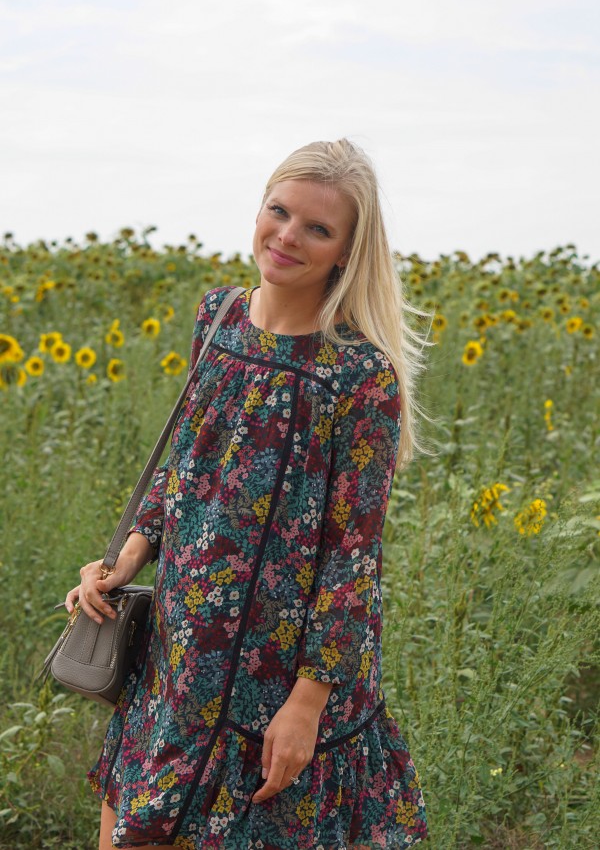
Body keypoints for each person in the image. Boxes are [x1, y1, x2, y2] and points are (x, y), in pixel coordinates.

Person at [66, 138, 431, 848]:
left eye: (318, 228)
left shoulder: (359, 377)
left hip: (275, 688)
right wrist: (129, 555)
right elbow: (188, 463)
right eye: (280, 211)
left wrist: (308, 702)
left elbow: (352, 559)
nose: (288, 236)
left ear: (345, 252)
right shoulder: (219, 318)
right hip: (183, 659)